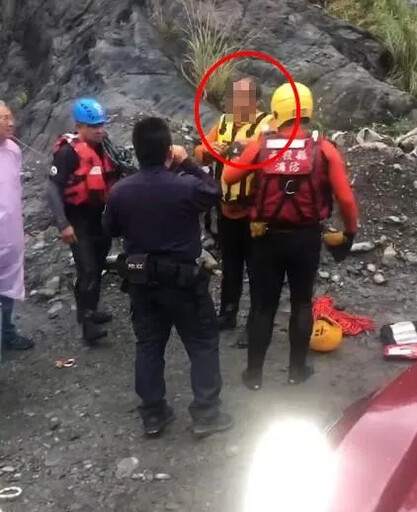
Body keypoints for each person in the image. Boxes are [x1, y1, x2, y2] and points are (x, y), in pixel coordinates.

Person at [103, 117, 233, 438]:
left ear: (135, 150)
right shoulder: (186, 187)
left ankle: (153, 414)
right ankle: (206, 413)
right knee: (201, 344)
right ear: (167, 150)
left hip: (141, 281)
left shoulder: (120, 192)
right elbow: (214, 191)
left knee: (148, 345)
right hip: (184, 282)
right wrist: (187, 161)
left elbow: (111, 229)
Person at [222, 83, 358, 389]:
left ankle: (254, 375)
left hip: (265, 238)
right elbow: (346, 200)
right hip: (305, 238)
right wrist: (350, 231)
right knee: (301, 303)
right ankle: (296, 371)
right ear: (307, 111)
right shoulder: (323, 148)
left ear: (276, 111)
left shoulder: (262, 144)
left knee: (263, 306)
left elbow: (230, 176)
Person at [194, 78, 272, 337]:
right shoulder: (224, 123)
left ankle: (256, 325)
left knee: (259, 270)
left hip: (254, 212)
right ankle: (228, 314)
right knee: (231, 265)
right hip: (227, 211)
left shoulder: (266, 127)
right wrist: (208, 149)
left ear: (256, 101)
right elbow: (199, 151)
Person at [47, 98, 120, 345]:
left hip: (101, 215)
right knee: (87, 268)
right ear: (79, 126)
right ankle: (87, 324)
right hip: (78, 217)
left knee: (97, 265)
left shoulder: (106, 146)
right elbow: (52, 188)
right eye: (92, 126)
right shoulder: (68, 152)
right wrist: (62, 224)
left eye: (101, 124)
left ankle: (90, 309)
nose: (99, 130)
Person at [0, 101, 34, 355]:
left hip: (10, 233)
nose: (11, 122)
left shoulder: (12, 150)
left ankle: (8, 333)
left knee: (9, 287)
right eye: (4, 118)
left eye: (10, 116)